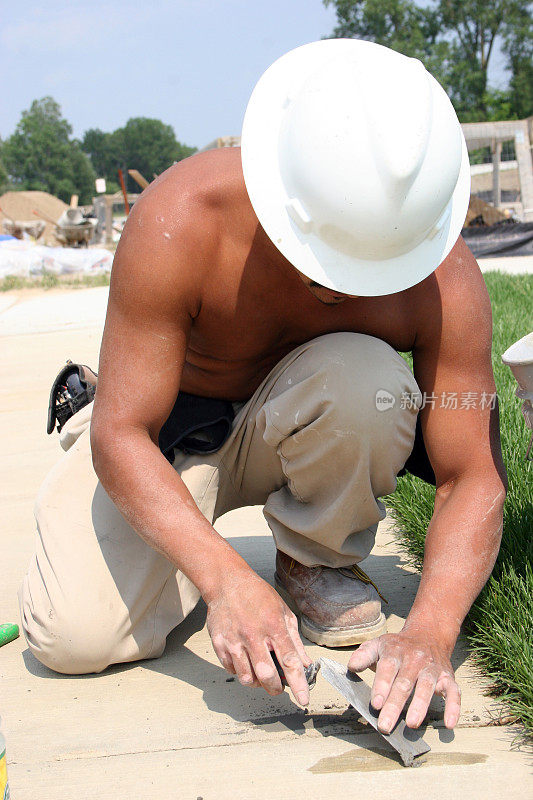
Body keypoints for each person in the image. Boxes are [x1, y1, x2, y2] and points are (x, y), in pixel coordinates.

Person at [20, 40, 507, 736]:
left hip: (305, 418)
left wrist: (429, 632)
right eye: (324, 265)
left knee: (366, 380)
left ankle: (311, 560)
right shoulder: (181, 220)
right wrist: (223, 582)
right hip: (167, 437)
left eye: (365, 269)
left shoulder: (442, 280)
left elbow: (473, 477)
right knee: (76, 639)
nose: (341, 289)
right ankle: (174, 525)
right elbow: (123, 435)